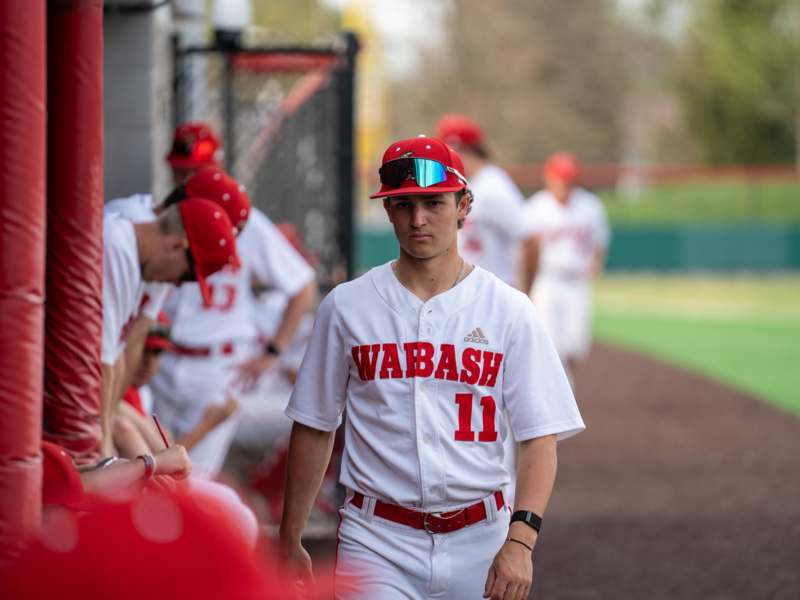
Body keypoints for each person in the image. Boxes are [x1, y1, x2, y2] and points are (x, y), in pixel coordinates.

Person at [279, 136, 584, 600]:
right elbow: (315, 425)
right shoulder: (347, 306)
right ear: (388, 211)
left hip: (482, 536)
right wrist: (290, 532)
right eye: (403, 204)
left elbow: (540, 436)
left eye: (433, 203)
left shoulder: (509, 309)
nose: (418, 219)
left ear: (464, 206)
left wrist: (521, 539)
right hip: (375, 538)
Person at [149, 187, 317, 478]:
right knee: (162, 463)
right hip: (163, 362)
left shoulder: (250, 228)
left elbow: (302, 287)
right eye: (180, 172)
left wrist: (272, 353)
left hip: (222, 368)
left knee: (191, 476)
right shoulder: (262, 307)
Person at [101, 198, 240, 456]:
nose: (177, 285)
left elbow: (118, 357)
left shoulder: (135, 259)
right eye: (187, 276)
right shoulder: (118, 246)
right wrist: (103, 453)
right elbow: (104, 365)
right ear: (177, 245)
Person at [522, 151, 611, 381]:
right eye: (561, 178)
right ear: (549, 178)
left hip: (578, 281)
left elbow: (600, 240)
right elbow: (526, 248)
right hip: (549, 279)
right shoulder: (536, 206)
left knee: (576, 345)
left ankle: (564, 383)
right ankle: (562, 392)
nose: (565, 184)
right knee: (551, 343)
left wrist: (596, 262)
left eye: (569, 179)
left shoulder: (590, 205)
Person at [436, 114, 535, 291]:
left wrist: (525, 293)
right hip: (468, 292)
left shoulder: (493, 185)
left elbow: (531, 239)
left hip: (494, 294)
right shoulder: (464, 184)